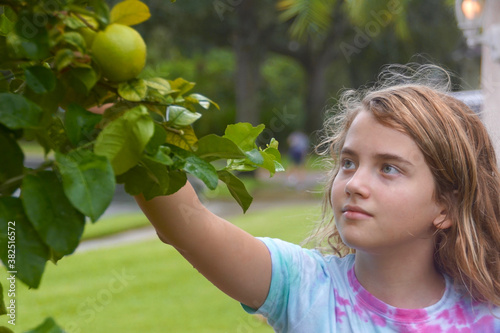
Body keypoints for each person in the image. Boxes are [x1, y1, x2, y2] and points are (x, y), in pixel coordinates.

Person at [134, 64, 500, 332]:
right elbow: (186, 224)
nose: (354, 183)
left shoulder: (487, 317)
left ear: (446, 206)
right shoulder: (303, 286)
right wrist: (124, 118)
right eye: (348, 162)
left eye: (389, 168)